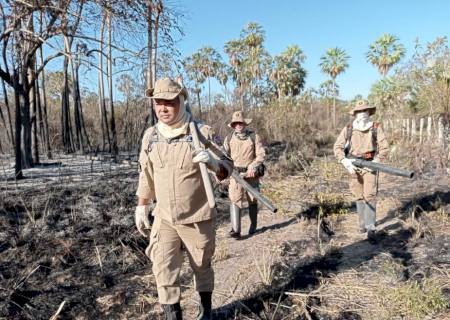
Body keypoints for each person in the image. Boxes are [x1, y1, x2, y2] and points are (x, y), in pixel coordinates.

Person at [135, 78, 233, 320]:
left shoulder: (202, 132)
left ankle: (206, 311)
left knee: (202, 266)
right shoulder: (151, 136)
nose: (163, 108)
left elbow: (229, 166)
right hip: (165, 218)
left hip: (197, 216)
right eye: (159, 102)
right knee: (163, 269)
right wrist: (142, 205)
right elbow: (146, 174)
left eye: (169, 102)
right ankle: (173, 316)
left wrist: (214, 163)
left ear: (180, 101)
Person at [333, 99, 389, 242]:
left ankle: (371, 227)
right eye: (359, 111)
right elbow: (337, 147)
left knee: (370, 195)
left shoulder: (375, 127)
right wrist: (345, 161)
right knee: (358, 195)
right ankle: (362, 223)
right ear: (355, 114)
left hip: (370, 164)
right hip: (353, 164)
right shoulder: (349, 128)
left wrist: (378, 160)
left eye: (365, 111)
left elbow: (384, 147)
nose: (362, 114)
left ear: (369, 112)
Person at [223, 111, 266, 239]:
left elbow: (260, 155)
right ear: (233, 125)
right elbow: (223, 156)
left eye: (240, 123)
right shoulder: (229, 138)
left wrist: (253, 167)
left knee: (253, 200)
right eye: (236, 123)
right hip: (235, 174)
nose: (238, 125)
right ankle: (236, 230)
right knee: (235, 200)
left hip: (251, 174)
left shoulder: (254, 137)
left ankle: (253, 226)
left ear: (244, 123)